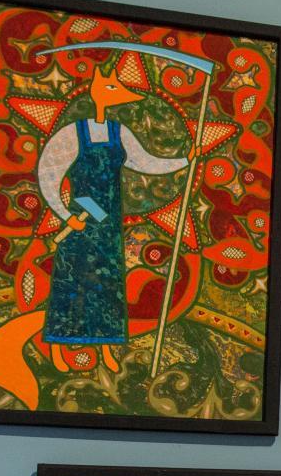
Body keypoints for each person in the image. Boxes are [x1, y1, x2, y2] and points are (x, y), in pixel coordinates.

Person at [36, 64, 194, 372]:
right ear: (96, 90)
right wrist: (65, 214)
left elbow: (145, 162)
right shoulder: (74, 133)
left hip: (107, 223)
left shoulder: (118, 132)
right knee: (71, 282)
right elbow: (48, 173)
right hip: (82, 217)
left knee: (108, 285)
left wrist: (185, 159)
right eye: (111, 89)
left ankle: (107, 347)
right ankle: (57, 348)